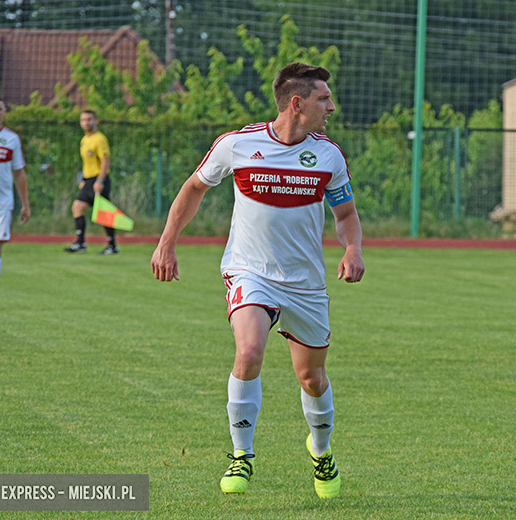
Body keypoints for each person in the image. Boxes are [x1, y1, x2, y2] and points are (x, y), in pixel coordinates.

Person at [150, 62, 364, 499]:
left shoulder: (329, 155)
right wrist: (166, 242)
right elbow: (193, 188)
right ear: (297, 103)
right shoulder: (238, 144)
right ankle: (241, 456)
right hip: (250, 271)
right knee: (248, 351)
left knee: (312, 379)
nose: (332, 107)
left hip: (305, 283)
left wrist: (353, 248)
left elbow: (345, 214)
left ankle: (321, 452)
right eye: (324, 99)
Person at [0, 95, 30, 312]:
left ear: (5, 112)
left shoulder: (11, 139)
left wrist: (25, 204)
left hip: (1, 204)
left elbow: (19, 173)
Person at [64, 110, 118, 254]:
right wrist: (83, 179)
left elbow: (105, 160)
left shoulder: (99, 139)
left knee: (103, 213)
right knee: (78, 208)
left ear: (95, 121)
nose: (86, 122)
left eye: (89, 119)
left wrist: (100, 180)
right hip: (88, 180)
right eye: (83, 120)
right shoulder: (84, 140)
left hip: (98, 179)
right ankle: (81, 243)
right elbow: (87, 163)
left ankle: (111, 245)